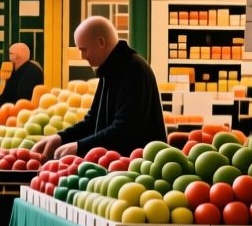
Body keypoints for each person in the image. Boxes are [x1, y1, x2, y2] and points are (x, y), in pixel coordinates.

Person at [32, 18, 165, 159]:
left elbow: (125, 129)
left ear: (101, 42)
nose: (83, 56)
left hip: (139, 167)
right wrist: (60, 138)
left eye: (84, 49)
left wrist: (80, 146)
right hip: (121, 164)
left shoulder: (134, 70)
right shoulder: (111, 68)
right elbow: (92, 121)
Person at [0, 42, 44, 106]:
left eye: (11, 53)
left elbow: (22, 98)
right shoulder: (15, 69)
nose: (9, 56)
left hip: (21, 109)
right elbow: (7, 93)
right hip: (9, 106)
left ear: (18, 56)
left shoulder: (31, 72)